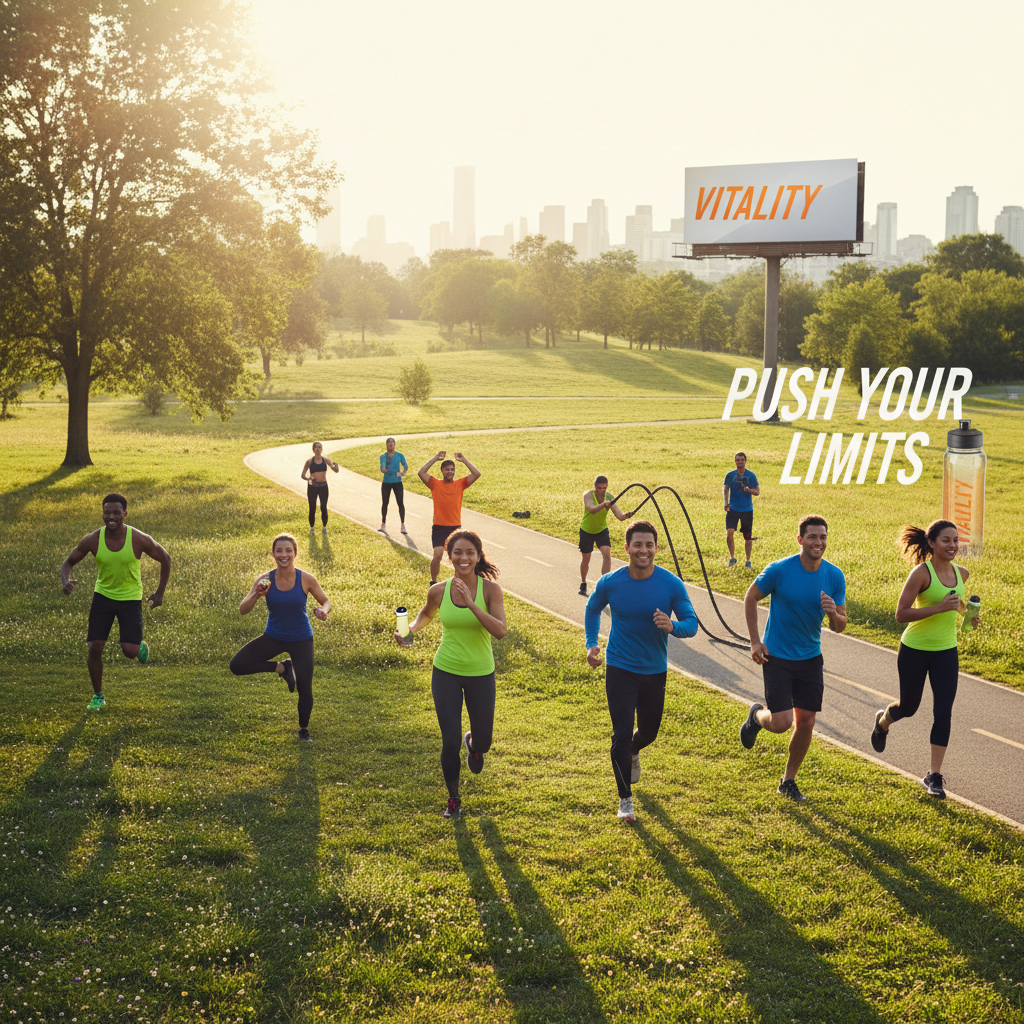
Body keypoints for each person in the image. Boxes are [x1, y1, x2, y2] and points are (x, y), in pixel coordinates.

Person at [584, 520, 698, 823]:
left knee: (648, 732)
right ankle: (625, 801)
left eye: (649, 545)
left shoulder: (670, 584)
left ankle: (635, 750)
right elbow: (593, 608)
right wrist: (592, 643)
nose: (643, 550)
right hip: (620, 667)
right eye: (637, 545)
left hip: (654, 670)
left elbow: (692, 624)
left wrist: (673, 626)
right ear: (627, 548)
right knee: (620, 734)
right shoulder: (610, 582)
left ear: (656, 548)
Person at [395, 531, 506, 819]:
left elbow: (500, 631)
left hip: (481, 673)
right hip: (446, 671)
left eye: (470, 552)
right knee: (449, 740)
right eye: (457, 552)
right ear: (449, 555)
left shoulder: (490, 591)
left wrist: (470, 603)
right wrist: (409, 632)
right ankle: (454, 799)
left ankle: (475, 746)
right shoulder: (439, 590)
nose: (463, 557)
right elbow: (426, 614)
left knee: (484, 740)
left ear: (478, 556)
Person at [739, 515, 846, 801]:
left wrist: (833, 612)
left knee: (807, 722)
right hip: (778, 656)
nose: (818, 542)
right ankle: (756, 716)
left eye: (822, 537)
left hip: (811, 657)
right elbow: (750, 598)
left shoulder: (834, 576)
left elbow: (840, 626)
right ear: (800, 539)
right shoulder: (779, 570)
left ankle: (788, 781)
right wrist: (754, 642)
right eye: (812, 537)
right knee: (781, 722)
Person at [869, 520, 978, 799]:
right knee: (909, 706)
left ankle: (934, 775)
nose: (953, 546)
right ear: (932, 543)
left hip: (946, 651)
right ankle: (882, 723)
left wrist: (969, 617)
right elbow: (900, 614)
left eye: (956, 540)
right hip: (915, 649)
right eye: (946, 540)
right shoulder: (921, 573)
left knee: (943, 712)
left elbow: (957, 603)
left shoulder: (962, 573)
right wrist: (938, 608)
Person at [60, 493, 172, 711]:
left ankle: (138, 646)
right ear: (102, 513)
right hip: (103, 596)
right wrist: (66, 581)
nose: (111, 517)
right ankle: (98, 695)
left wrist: (159, 594)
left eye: (116, 513)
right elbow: (69, 562)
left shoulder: (138, 539)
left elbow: (165, 558)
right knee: (95, 646)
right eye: (107, 512)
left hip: (130, 599)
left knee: (129, 652)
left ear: (125, 514)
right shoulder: (92, 539)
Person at [230, 533, 331, 742]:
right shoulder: (265, 580)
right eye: (279, 551)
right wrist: (257, 595)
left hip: (302, 639)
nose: (283, 555)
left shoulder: (306, 579)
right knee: (237, 665)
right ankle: (283, 668)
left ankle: (304, 729)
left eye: (288, 551)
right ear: (273, 554)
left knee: (305, 686)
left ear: (295, 553)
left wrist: (323, 611)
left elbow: (325, 601)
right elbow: (243, 609)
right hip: (274, 636)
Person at [417, 450, 481, 587]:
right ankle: (433, 582)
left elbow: (477, 474)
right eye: (447, 469)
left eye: (452, 469)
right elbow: (421, 472)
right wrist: (435, 458)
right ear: (442, 471)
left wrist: (464, 459)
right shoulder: (435, 484)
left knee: (457, 558)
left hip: (455, 527)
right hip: (439, 527)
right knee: (438, 555)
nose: (450, 472)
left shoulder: (460, 484)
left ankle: (459, 582)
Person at [578, 475, 635, 596]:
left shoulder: (609, 498)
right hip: (586, 530)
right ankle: (583, 583)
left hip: (601, 530)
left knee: (607, 553)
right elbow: (592, 510)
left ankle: (604, 584)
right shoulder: (588, 495)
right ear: (595, 486)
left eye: (604, 488)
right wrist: (604, 505)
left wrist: (627, 515)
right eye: (599, 488)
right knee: (586, 558)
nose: (602, 490)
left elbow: (619, 516)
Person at [724, 451, 759, 569]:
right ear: (735, 462)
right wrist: (726, 503)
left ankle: (748, 560)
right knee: (729, 532)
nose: (740, 462)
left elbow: (757, 492)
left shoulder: (751, 476)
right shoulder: (730, 475)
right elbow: (725, 489)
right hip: (733, 509)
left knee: (747, 537)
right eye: (738, 460)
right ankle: (732, 557)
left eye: (742, 460)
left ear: (745, 461)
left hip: (747, 509)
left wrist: (749, 490)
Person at [301, 442, 338, 534]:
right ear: (313, 450)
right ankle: (312, 528)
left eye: (319, 447)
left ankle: (324, 527)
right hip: (312, 487)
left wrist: (335, 467)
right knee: (312, 507)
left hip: (323, 487)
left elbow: (335, 469)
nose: (318, 449)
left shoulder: (325, 460)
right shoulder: (309, 462)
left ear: (322, 449)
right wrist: (308, 478)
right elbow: (303, 475)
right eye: (316, 447)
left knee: (323, 507)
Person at [378, 436, 409, 534]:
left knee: (400, 503)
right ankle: (383, 525)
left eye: (392, 445)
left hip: (397, 483)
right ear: (386, 445)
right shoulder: (383, 456)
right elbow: (382, 468)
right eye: (389, 445)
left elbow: (406, 467)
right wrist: (384, 469)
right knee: (385, 503)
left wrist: (401, 473)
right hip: (386, 482)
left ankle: (403, 526)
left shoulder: (400, 456)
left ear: (395, 446)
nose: (391, 446)